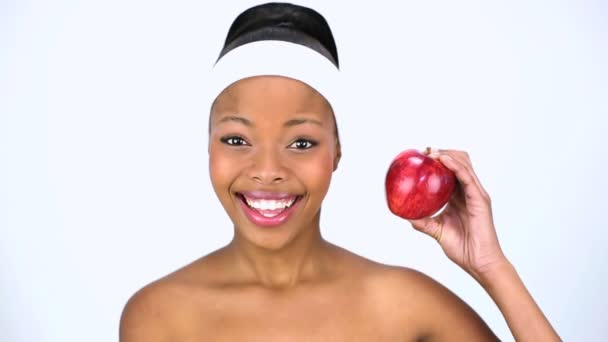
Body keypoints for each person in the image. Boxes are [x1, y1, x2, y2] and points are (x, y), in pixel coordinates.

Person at [119, 2, 560, 341]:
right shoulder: (159, 314)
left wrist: (491, 266)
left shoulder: (405, 304)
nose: (268, 170)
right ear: (207, 147)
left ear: (337, 153)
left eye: (302, 143)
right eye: (236, 140)